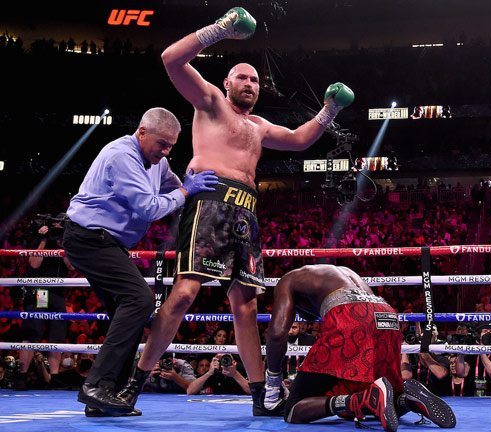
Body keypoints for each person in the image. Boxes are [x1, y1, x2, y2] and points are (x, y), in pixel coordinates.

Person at [118, 7, 355, 416]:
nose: (250, 84)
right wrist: (222, 30)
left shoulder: (260, 126)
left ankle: (262, 398)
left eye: (256, 80)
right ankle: (133, 384)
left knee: (245, 304)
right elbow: (171, 59)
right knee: (184, 294)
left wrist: (329, 109)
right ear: (226, 82)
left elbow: (299, 140)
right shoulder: (210, 101)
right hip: (209, 201)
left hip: (246, 212)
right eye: (242, 77)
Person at [63, 107, 219, 416]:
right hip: (89, 238)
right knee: (138, 301)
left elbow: (174, 186)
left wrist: (190, 188)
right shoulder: (123, 156)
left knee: (128, 311)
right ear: (142, 132)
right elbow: (149, 209)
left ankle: (106, 396)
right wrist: (187, 191)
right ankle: (96, 385)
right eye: (162, 144)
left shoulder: (156, 160)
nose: (165, 152)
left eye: (171, 146)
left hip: (108, 242)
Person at [264, 264, 456, 431]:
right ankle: (405, 399)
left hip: (352, 317)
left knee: (293, 410)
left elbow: (276, 333)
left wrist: (273, 383)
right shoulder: (341, 274)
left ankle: (360, 399)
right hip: (386, 316)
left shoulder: (287, 280)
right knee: (376, 400)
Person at [15, 220, 73, 390]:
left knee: (56, 336)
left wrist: (63, 245)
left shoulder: (66, 243)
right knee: (32, 333)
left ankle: (54, 378)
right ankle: (21, 376)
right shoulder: (40, 240)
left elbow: (71, 267)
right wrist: (43, 240)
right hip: (41, 291)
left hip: (58, 292)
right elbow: (34, 264)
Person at [455, 322, 491, 397]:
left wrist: (481, 350)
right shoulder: (472, 352)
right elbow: (461, 373)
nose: (488, 334)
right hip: (472, 398)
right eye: (485, 331)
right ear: (479, 335)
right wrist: (461, 351)